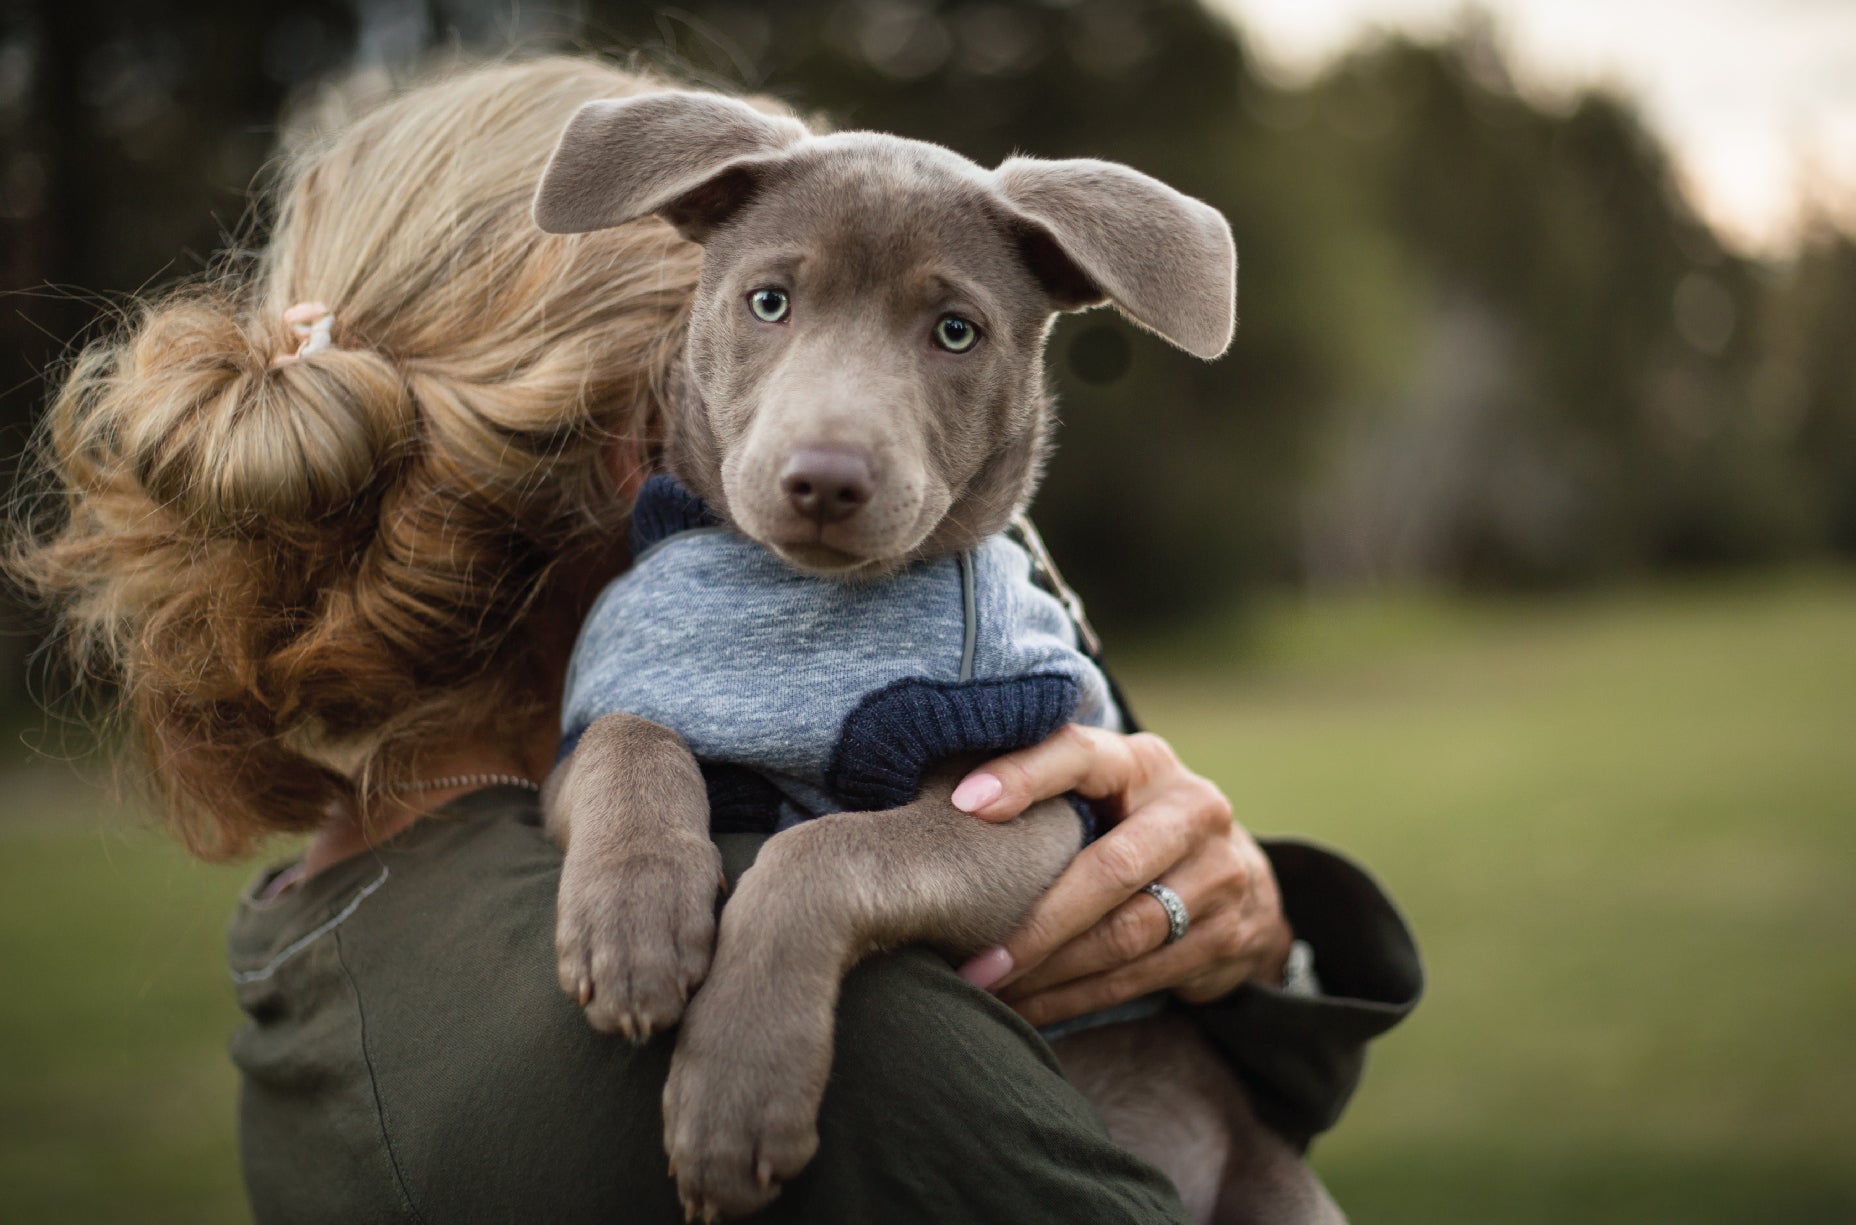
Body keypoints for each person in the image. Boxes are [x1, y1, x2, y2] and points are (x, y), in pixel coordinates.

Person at [10, 57, 1420, 1223]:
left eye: (935, 330)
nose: (826, 430)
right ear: (646, 427)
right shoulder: (851, 1042)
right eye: (766, 308)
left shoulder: (312, 939)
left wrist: (1252, 942)